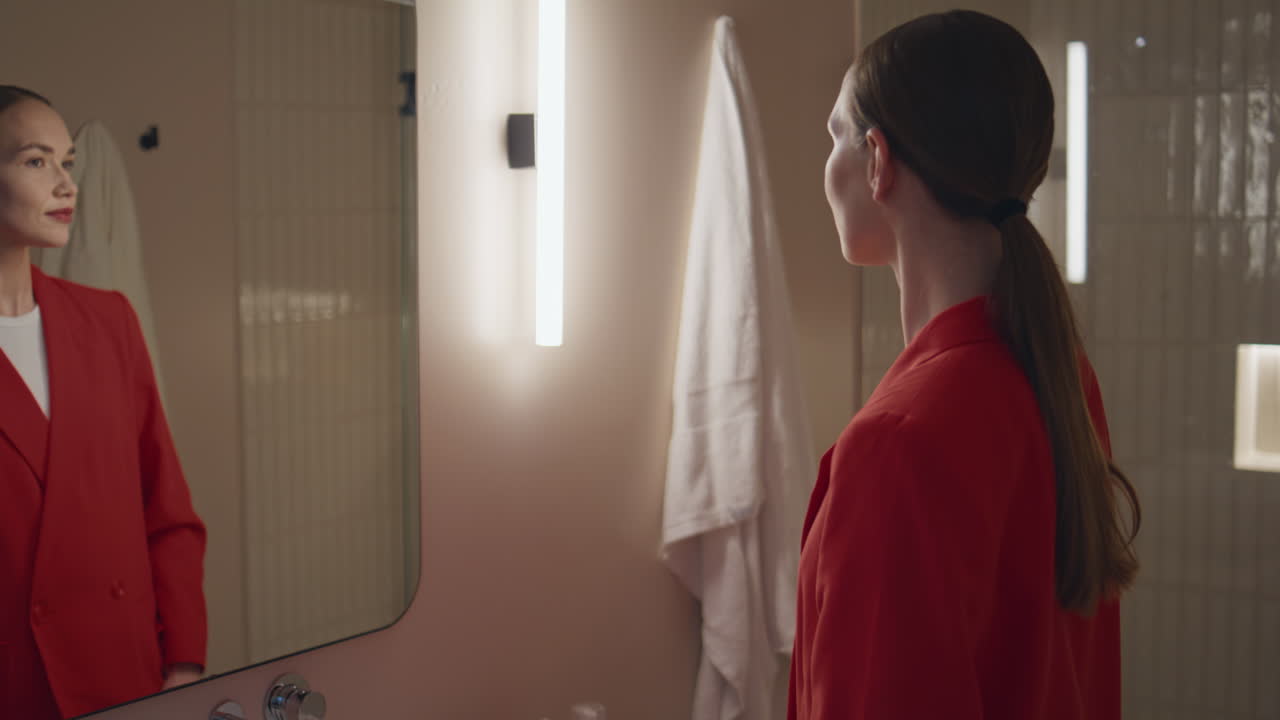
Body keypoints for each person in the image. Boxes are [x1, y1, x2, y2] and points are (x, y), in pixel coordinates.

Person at [788, 11, 1141, 720]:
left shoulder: (896, 444)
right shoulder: (1060, 381)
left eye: (835, 136)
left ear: (878, 161)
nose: (826, 166)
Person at [0, 85, 207, 720]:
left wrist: (184, 661)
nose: (67, 184)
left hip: (129, 672)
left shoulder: (108, 321)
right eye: (36, 161)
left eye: (67, 162)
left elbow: (166, 511)